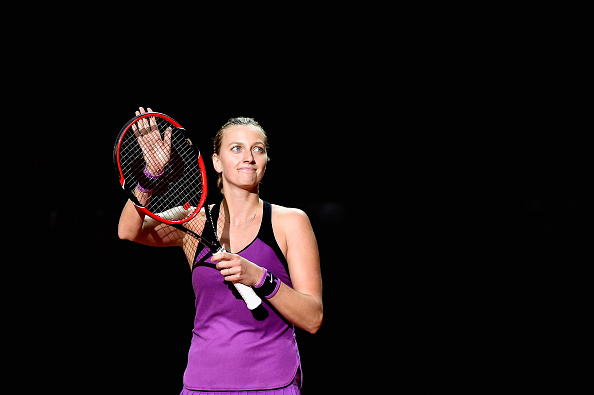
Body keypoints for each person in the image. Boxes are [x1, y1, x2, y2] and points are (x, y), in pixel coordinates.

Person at [118, 107, 323, 394]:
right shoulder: (193, 220)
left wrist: (260, 277)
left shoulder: (290, 221)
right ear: (216, 161)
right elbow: (128, 231)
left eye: (258, 149)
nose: (248, 157)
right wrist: (151, 174)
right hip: (202, 384)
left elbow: (313, 318)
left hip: (273, 383)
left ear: (265, 160)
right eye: (236, 148)